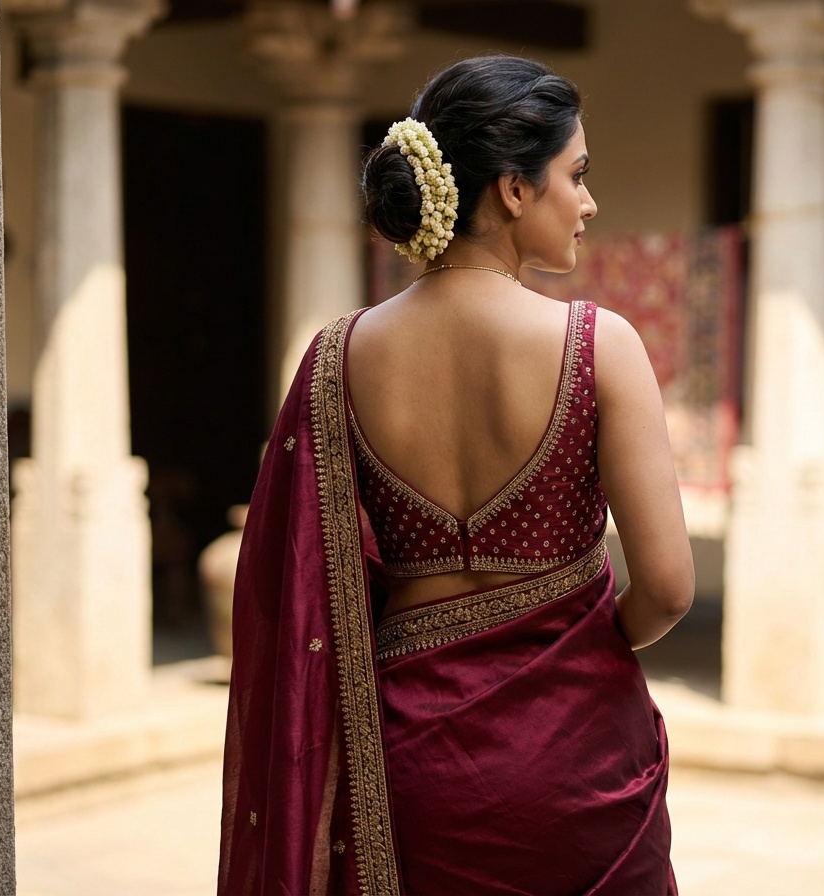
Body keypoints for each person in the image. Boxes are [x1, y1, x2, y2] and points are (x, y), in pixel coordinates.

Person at [218, 54, 694, 896]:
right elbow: (665, 589)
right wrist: (572, 653)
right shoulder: (598, 346)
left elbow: (294, 588)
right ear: (513, 188)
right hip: (579, 763)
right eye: (575, 175)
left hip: (414, 771)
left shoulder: (337, 359)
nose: (588, 203)